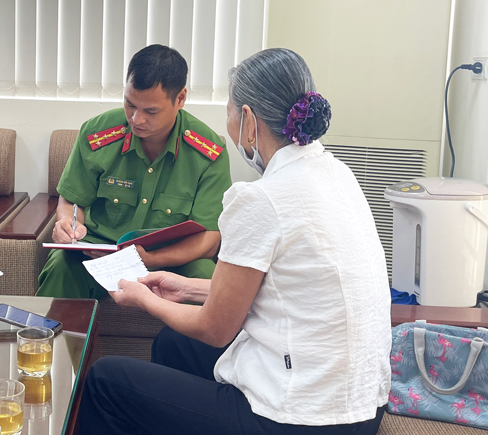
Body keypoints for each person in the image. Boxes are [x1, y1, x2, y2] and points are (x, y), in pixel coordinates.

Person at [77, 48, 392, 434]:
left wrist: (144, 298)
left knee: (106, 379)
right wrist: (189, 287)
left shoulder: (261, 198)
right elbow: (291, 292)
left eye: (228, 109)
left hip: (298, 419)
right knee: (173, 345)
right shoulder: (337, 173)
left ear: (246, 119)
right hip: (362, 406)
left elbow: (216, 329)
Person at [36, 44, 232, 299]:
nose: (136, 119)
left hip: (170, 259)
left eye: (151, 111)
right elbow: (72, 200)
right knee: (61, 264)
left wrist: (152, 258)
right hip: (100, 252)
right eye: (130, 104)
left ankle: (183, 342)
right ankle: (50, 339)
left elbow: (209, 237)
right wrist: (67, 224)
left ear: (180, 98)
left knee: (206, 276)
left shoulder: (207, 151)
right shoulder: (97, 134)